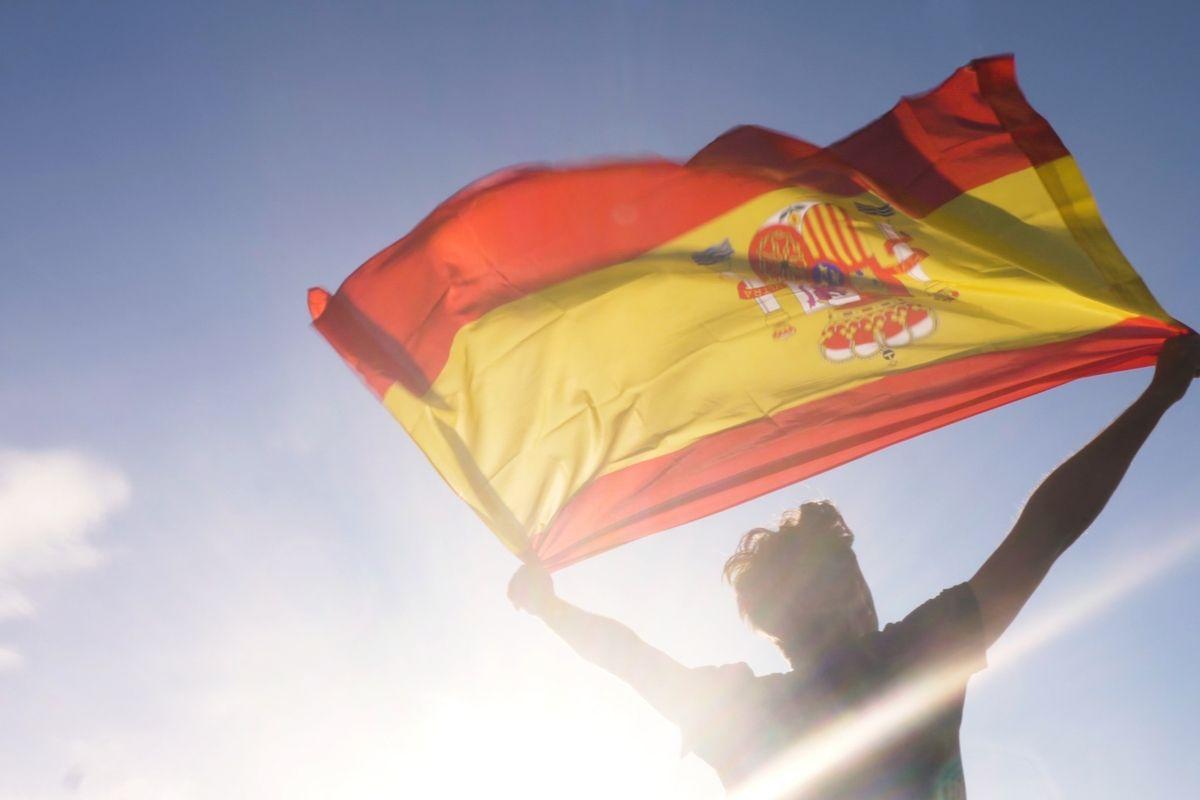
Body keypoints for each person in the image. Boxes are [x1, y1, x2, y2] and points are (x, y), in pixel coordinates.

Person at [508, 332, 1200, 799]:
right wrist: (1156, 398)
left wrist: (551, 610)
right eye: (837, 583)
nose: (849, 599)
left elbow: (631, 659)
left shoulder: (749, 710)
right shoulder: (907, 661)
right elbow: (1044, 533)